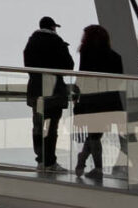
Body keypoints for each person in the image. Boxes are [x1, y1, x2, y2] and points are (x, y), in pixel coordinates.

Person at [73, 25, 126, 181]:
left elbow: (82, 76)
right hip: (109, 100)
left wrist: (77, 96)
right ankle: (89, 163)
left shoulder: (86, 53)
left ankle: (95, 166)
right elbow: (119, 82)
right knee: (96, 133)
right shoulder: (116, 57)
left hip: (91, 99)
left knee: (94, 134)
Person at [23, 17, 74, 172]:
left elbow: (28, 65)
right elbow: (69, 66)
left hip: (36, 91)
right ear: (53, 27)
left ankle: (40, 161)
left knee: (38, 126)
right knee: (51, 128)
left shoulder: (31, 43)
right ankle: (50, 162)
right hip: (54, 91)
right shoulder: (57, 42)